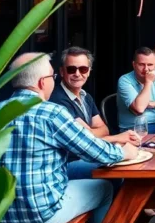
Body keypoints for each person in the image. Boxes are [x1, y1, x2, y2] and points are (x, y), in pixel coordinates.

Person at [0, 53, 138, 223]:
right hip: (39, 215)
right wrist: (125, 152)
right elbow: (96, 151)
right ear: (41, 82)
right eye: (53, 76)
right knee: (105, 187)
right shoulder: (51, 112)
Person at [49, 46, 140, 180]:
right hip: (68, 164)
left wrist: (93, 133)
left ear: (89, 71)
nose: (77, 74)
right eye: (71, 69)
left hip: (87, 155)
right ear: (62, 72)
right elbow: (85, 138)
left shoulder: (86, 96)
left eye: (83, 69)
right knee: (118, 166)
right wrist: (118, 138)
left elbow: (104, 129)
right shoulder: (58, 100)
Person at [117, 47, 155, 134]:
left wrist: (151, 104)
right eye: (141, 64)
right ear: (134, 64)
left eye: (150, 65)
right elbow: (140, 108)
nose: (146, 69)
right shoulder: (124, 80)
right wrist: (148, 82)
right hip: (133, 128)